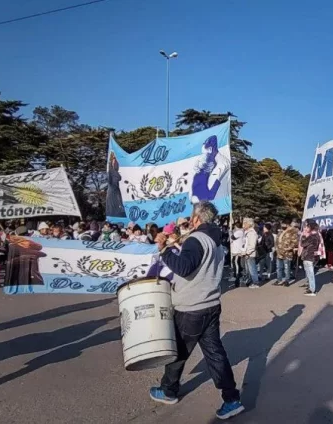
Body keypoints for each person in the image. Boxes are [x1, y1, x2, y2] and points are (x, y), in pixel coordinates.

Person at [150, 201, 244, 419]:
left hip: (191, 308)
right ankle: (232, 398)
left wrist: (164, 249)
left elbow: (184, 267)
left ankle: (168, 390)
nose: (190, 220)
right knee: (215, 354)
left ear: (197, 219)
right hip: (210, 305)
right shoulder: (215, 240)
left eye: (192, 217)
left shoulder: (196, 239)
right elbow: (197, 261)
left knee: (179, 352)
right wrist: (174, 244)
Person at [298, 220, 321, 296]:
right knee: (309, 273)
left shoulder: (312, 236)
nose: (306, 228)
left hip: (308, 256)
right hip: (311, 256)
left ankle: (312, 290)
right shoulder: (317, 235)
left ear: (311, 228)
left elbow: (302, 243)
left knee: (310, 274)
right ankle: (310, 287)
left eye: (308, 227)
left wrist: (303, 236)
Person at [274, 218, 299, 286]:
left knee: (286, 267)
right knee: (279, 267)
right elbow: (277, 239)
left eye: (283, 224)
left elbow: (295, 242)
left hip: (287, 253)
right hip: (279, 252)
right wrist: (276, 247)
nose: (282, 225)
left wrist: (289, 248)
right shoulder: (281, 231)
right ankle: (279, 280)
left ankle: (286, 280)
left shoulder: (292, 231)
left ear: (287, 224)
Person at [106, 152, 127, 217]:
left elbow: (115, 168)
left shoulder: (114, 172)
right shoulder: (111, 173)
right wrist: (111, 160)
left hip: (115, 189)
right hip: (113, 190)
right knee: (115, 206)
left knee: (118, 206)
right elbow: (111, 169)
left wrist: (113, 159)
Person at [241, 218, 260, 288]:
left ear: (249, 224)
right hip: (246, 253)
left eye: (245, 223)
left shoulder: (252, 233)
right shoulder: (247, 232)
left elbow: (252, 245)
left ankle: (256, 282)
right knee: (248, 269)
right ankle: (249, 281)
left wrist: (247, 253)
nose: (243, 225)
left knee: (252, 269)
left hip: (250, 254)